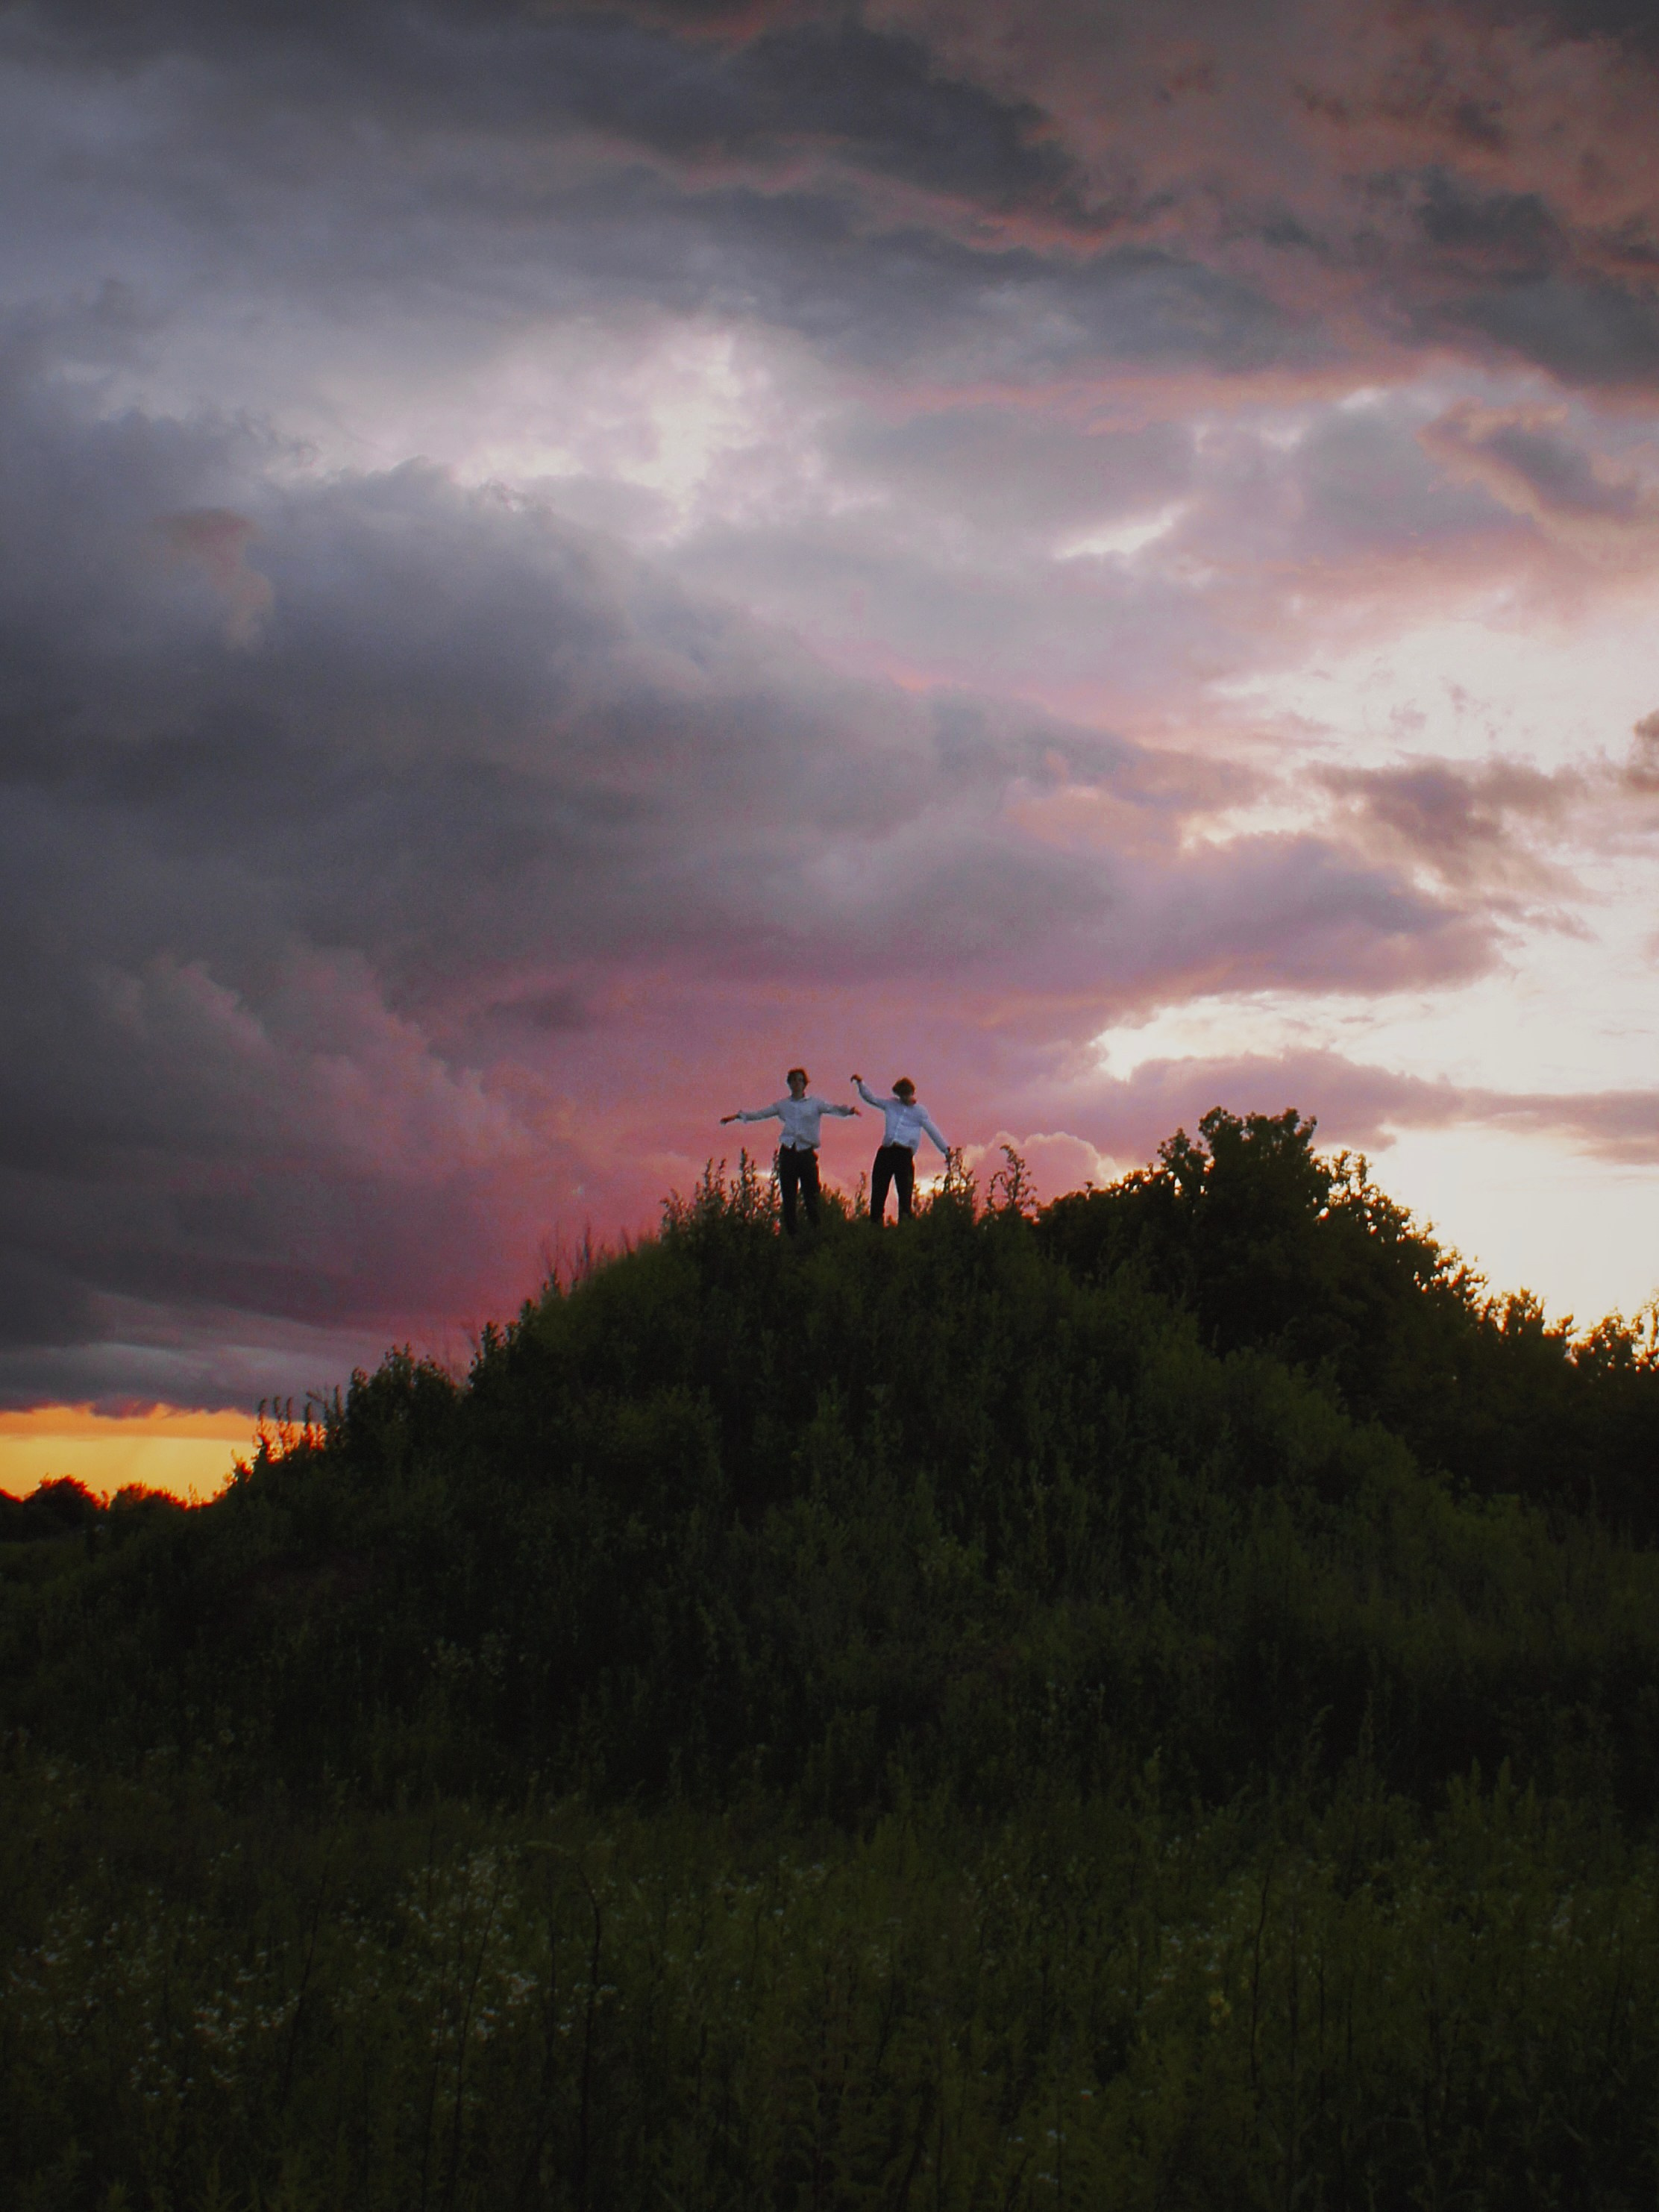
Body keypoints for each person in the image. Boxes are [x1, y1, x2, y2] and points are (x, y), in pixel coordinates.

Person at [721, 1068, 859, 1234]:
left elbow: (833, 1109)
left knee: (812, 1196)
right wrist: (737, 1116)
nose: (796, 1083)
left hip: (806, 1153)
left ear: (805, 1083)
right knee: (789, 1197)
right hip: (788, 1153)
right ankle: (792, 1236)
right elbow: (761, 1114)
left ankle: (817, 1233)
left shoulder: (815, 1103)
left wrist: (849, 1110)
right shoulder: (783, 1105)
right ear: (789, 1084)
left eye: (800, 1080)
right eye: (793, 1080)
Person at [852, 1073, 948, 1223]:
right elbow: (871, 1099)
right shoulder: (891, 1104)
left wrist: (945, 1150)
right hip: (886, 1152)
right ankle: (875, 1227)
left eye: (906, 1094)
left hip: (904, 1155)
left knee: (905, 1194)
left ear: (911, 1093)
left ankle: (904, 1229)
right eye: (901, 1095)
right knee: (878, 1192)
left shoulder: (920, 1112)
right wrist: (860, 1083)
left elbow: (932, 1130)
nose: (904, 1098)